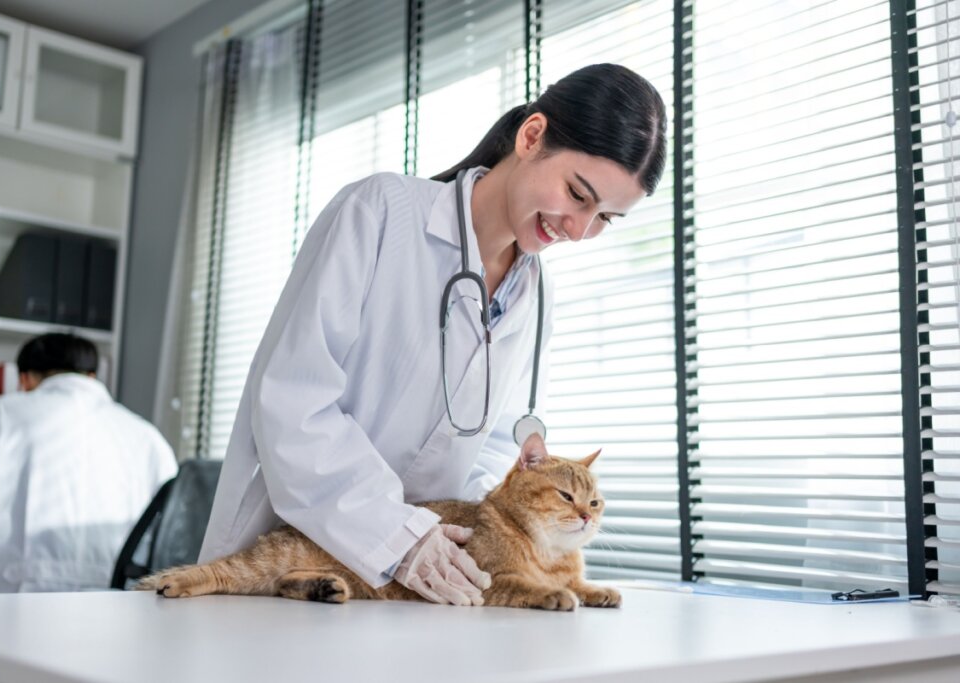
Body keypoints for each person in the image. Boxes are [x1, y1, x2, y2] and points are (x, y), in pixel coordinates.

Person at [199, 63, 667, 606]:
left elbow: (494, 450)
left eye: (606, 218)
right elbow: (293, 402)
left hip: (419, 591)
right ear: (532, 136)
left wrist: (471, 546)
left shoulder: (534, 297)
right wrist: (394, 536)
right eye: (577, 194)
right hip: (290, 566)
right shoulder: (380, 213)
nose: (578, 231)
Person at [0, 333, 177, 592]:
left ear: (24, 379)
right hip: (116, 603)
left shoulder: (0, 414)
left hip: (16, 598)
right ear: (92, 376)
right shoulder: (148, 436)